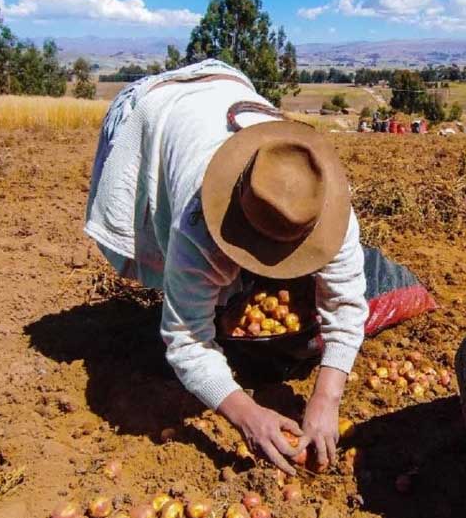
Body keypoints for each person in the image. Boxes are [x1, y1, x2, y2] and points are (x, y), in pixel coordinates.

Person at [85, 59, 367, 474]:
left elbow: (345, 304)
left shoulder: (323, 207)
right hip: (161, 111)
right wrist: (246, 415)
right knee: (190, 295)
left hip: (225, 86)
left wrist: (327, 397)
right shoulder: (196, 224)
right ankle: (200, 294)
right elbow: (186, 339)